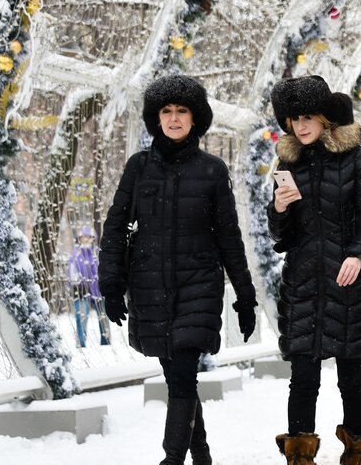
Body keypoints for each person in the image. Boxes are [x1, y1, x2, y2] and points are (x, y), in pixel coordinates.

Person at [99, 74, 259, 465]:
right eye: (166, 111)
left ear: (195, 117)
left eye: (181, 111)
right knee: (177, 379)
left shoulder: (212, 170)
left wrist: (245, 294)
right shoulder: (138, 169)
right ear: (156, 118)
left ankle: (172, 460)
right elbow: (117, 225)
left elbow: (228, 236)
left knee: (185, 372)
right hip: (150, 286)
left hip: (198, 285)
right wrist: (111, 283)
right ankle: (201, 456)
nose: (173, 119)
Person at [267, 76, 361, 465]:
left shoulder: (356, 158)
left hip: (350, 284)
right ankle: (299, 457)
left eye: (307, 117)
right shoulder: (288, 162)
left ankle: (357, 453)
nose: (300, 126)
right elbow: (281, 236)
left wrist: (357, 255)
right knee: (303, 376)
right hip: (303, 285)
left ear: (323, 118)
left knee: (352, 376)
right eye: (292, 118)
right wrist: (280, 209)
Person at [67, 226, 109, 347]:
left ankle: (106, 342)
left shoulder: (97, 253)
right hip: (81, 292)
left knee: (103, 318)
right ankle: (81, 343)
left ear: (93, 238)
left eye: (88, 237)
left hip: (98, 292)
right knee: (81, 318)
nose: (85, 239)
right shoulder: (75, 255)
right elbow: (72, 272)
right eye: (82, 237)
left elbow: (102, 269)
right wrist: (78, 281)